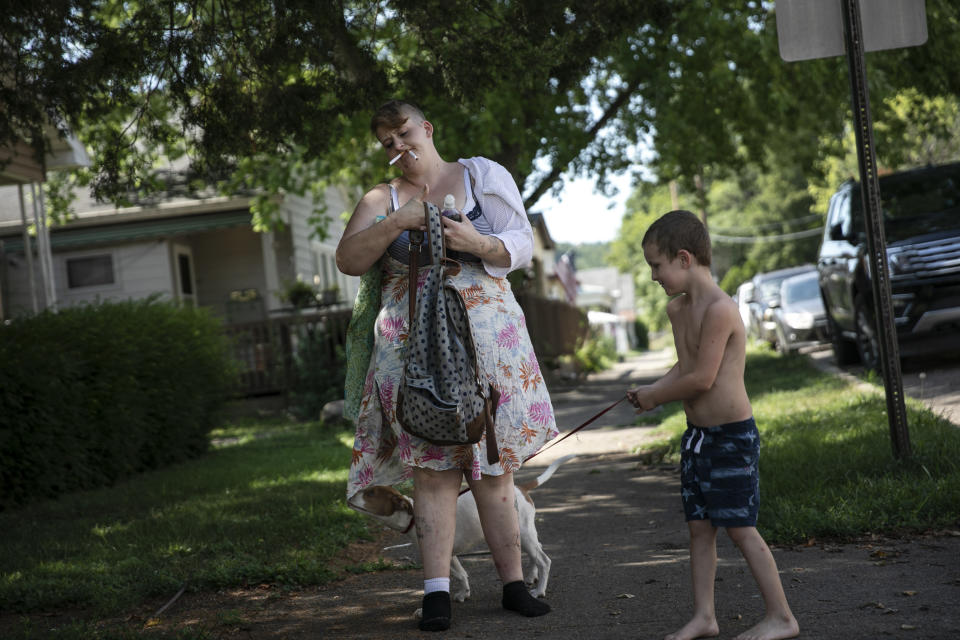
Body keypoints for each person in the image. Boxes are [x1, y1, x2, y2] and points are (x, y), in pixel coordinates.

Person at [337, 100, 558, 632]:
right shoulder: (380, 199)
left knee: (492, 466)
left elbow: (521, 242)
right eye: (387, 142)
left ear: (426, 128)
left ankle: (512, 585)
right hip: (410, 356)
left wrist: (476, 242)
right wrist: (397, 222)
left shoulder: (481, 175)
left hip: (491, 349)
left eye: (403, 133)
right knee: (430, 472)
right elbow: (348, 259)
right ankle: (436, 594)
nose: (397, 146)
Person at [626, 210, 799, 640]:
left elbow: (702, 378)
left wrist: (657, 396)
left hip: (731, 438)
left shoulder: (721, 309)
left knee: (740, 528)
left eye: (656, 266)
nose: (653, 276)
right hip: (698, 439)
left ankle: (782, 616)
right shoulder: (677, 309)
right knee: (699, 529)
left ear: (684, 259)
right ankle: (705, 616)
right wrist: (652, 388)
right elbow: (683, 367)